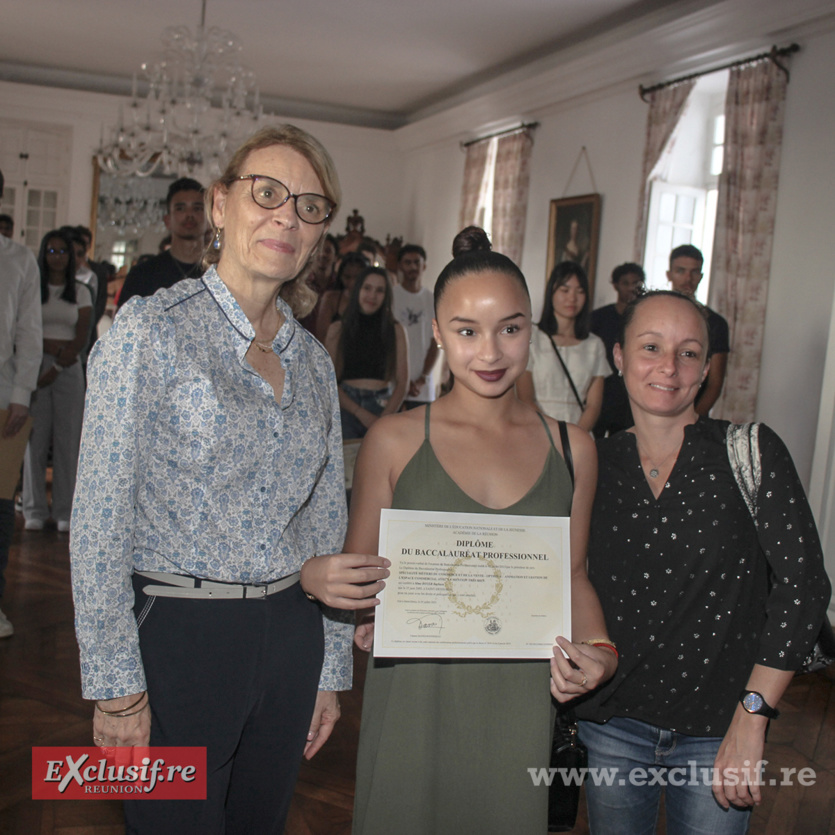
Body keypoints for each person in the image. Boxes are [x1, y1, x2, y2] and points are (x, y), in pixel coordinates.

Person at [70, 125, 389, 835]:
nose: (286, 215)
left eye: (308, 206)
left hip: (288, 635)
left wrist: (329, 669)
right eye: (266, 193)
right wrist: (118, 690)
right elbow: (97, 519)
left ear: (320, 235)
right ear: (220, 206)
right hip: (179, 637)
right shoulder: (149, 331)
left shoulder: (312, 362)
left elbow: (320, 529)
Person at [345, 228, 617, 834]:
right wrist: (364, 613)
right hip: (414, 697)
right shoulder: (392, 440)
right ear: (438, 333)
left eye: (510, 329)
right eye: (467, 331)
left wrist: (602, 654)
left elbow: (572, 575)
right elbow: (360, 573)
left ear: (533, 332)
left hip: (518, 703)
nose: (490, 352)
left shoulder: (573, 448)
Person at [575, 290, 831, 835]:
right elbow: (563, 575)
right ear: (619, 357)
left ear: (707, 368)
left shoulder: (752, 452)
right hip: (615, 723)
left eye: (688, 353)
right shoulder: (592, 462)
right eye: (650, 347)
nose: (668, 366)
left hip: (721, 729)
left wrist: (754, 715)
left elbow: (804, 586)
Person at [22, 229, 91, 532]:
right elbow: (26, 330)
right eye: (52, 251)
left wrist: (60, 363)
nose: (58, 257)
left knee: (67, 442)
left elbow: (82, 336)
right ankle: (34, 509)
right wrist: (48, 355)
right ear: (43, 254)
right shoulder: (32, 288)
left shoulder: (81, 290)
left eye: (64, 251)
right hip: (36, 366)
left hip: (70, 367)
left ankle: (65, 509)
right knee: (35, 442)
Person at [0, 168, 42, 637]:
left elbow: (29, 333)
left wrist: (20, 396)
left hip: (4, 393)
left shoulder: (18, 260)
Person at [518, 261, 610, 431]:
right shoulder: (532, 337)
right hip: (537, 430)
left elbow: (593, 406)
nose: (572, 298)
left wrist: (574, 439)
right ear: (551, 291)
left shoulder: (594, 344)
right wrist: (555, 435)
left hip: (579, 431)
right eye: (565, 290)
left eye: (580, 291)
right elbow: (525, 398)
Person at [325, 266, 409, 439]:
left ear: (386, 296)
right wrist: (359, 412)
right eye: (367, 288)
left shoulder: (396, 330)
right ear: (358, 290)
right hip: (347, 407)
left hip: (384, 405)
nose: (372, 296)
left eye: (380, 290)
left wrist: (384, 418)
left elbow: (402, 383)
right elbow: (328, 382)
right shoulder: (337, 329)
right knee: (348, 464)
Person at [116, 177, 206, 309]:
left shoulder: (221, 272)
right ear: (167, 220)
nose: (189, 215)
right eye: (180, 208)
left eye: (197, 208)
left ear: (210, 217)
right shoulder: (142, 274)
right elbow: (123, 325)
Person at [666, 244, 729, 415]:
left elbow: (714, 384)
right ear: (669, 274)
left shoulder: (715, 323)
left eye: (694, 272)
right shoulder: (651, 316)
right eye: (681, 271)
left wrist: (692, 423)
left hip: (692, 414)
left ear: (701, 276)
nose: (688, 278)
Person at [591, 262, 645, 437]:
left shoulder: (645, 320)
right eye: (625, 283)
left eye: (636, 283)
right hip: (601, 394)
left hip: (630, 397)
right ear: (615, 285)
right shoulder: (598, 318)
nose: (631, 288)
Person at [392, 244, 439, 409]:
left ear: (424, 266)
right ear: (399, 266)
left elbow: (435, 343)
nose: (412, 267)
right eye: (407, 262)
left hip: (423, 389)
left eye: (416, 262)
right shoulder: (391, 296)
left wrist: (422, 379)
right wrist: (400, 380)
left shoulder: (432, 299)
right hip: (393, 386)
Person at [315, 251, 370, 336]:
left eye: (357, 277)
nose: (352, 282)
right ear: (340, 276)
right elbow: (322, 336)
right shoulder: (331, 298)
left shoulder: (372, 299)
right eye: (347, 277)